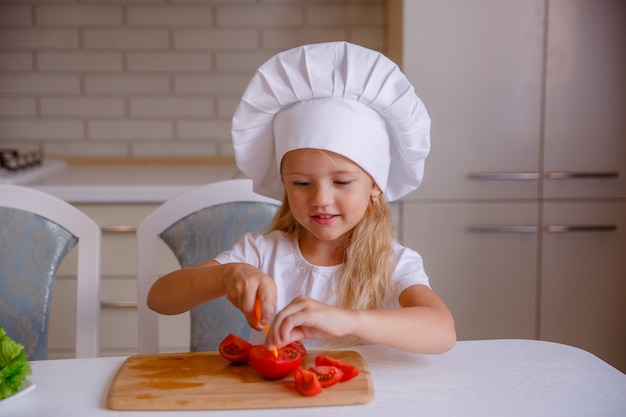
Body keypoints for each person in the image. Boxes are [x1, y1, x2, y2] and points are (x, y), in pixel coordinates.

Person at [148, 41, 456, 354]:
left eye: (341, 181)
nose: (321, 198)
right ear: (284, 182)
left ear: (375, 184)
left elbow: (442, 331)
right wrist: (225, 275)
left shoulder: (392, 263)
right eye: (302, 183)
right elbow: (159, 298)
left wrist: (348, 321)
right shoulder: (261, 253)